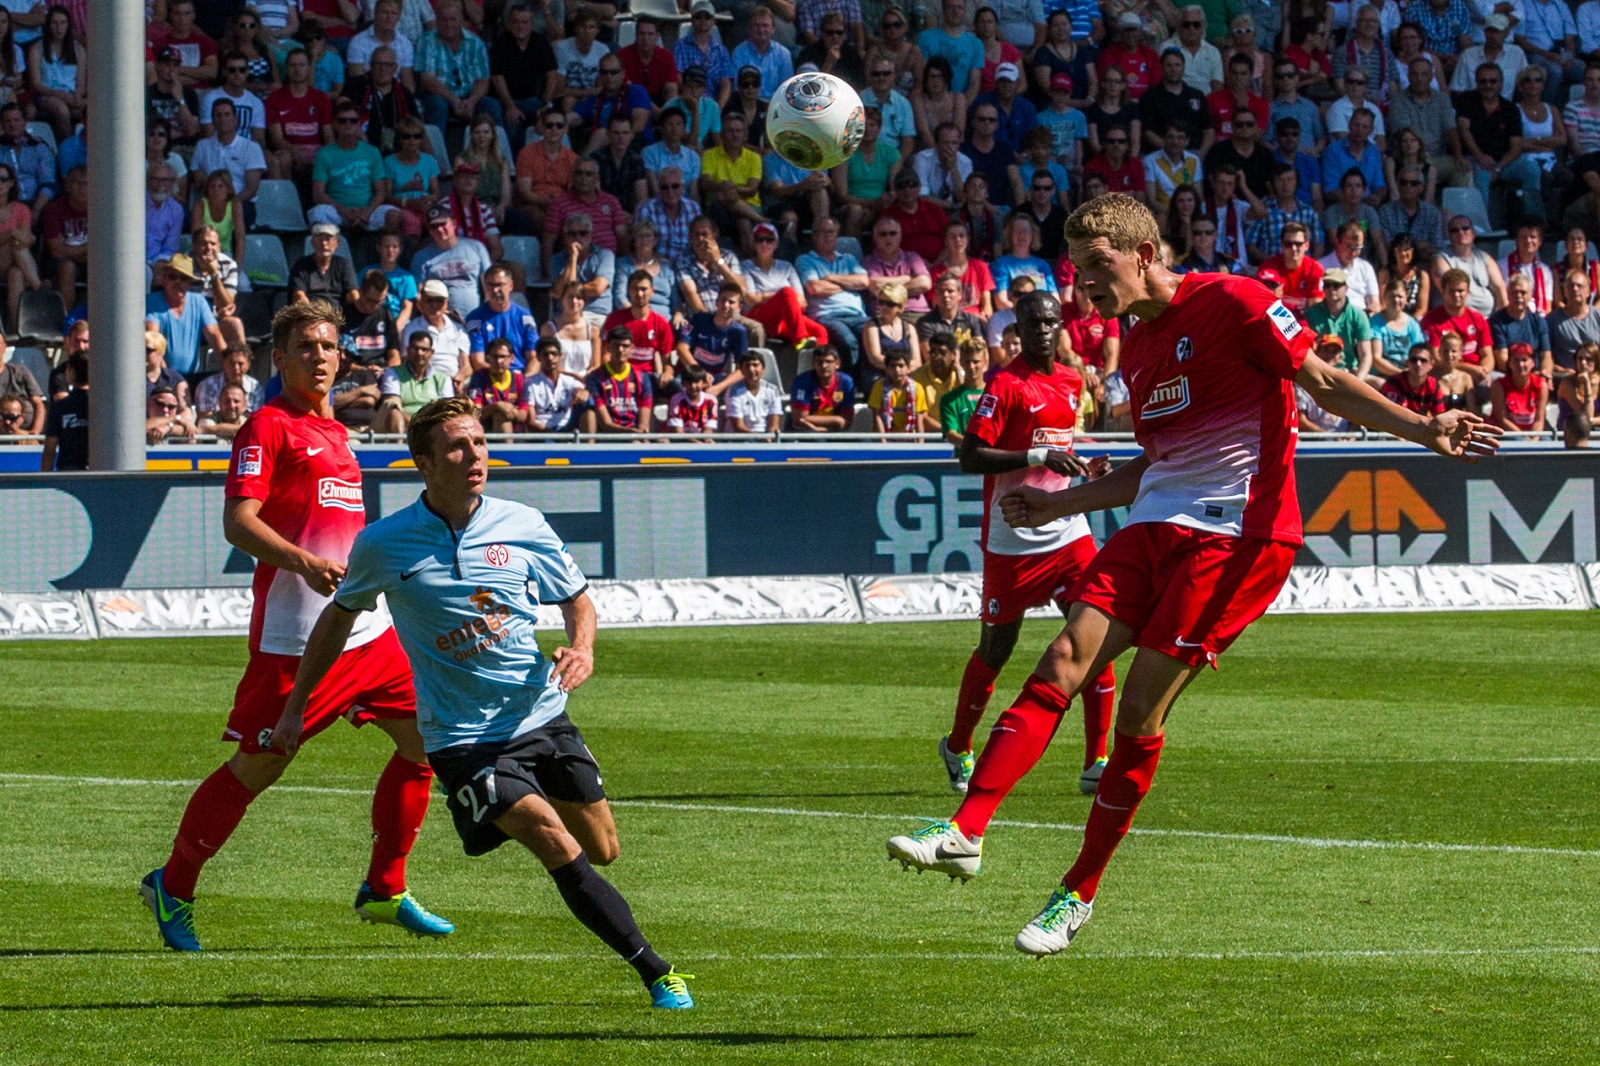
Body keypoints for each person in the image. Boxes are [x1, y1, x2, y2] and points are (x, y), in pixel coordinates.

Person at [883, 192, 1500, 953]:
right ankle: (966, 829)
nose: (1087, 285)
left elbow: (1322, 381)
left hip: (1236, 537)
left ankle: (1076, 892)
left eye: (1099, 266)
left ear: (1144, 254)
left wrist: (1420, 426)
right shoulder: (1137, 351)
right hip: (1154, 526)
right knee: (1063, 658)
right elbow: (1158, 463)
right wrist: (1062, 504)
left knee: (1140, 711)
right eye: (1078, 270)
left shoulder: (1237, 301)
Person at [277, 395, 694, 1009]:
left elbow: (576, 599)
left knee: (605, 848)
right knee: (553, 841)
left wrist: (582, 649)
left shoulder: (523, 524)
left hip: (541, 714)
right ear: (424, 462)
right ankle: (658, 973)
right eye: (457, 446)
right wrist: (294, 709)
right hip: (460, 739)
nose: (474, 455)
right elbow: (336, 622)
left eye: (478, 442)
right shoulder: (384, 544)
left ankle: (529, 793)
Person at [141, 302, 453, 954]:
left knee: (426, 741)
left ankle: (385, 889)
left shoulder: (338, 434)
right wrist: (302, 561)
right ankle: (173, 884)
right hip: (296, 637)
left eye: (329, 345)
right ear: (278, 359)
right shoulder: (267, 425)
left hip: (365, 633)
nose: (319, 355)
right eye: (305, 346)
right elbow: (238, 522)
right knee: (258, 768)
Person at [916, 288, 1120, 793]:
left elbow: (1059, 451)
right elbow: (971, 457)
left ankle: (1097, 759)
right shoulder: (1004, 386)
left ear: (1061, 326)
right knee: (996, 652)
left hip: (1069, 531)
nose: (1044, 330)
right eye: (1033, 324)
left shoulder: (1073, 380)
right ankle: (958, 745)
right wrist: (1035, 458)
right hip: (1013, 539)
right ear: (1018, 332)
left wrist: (1084, 470)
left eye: (1051, 322)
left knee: (1098, 636)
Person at [308, 100, 399, 234]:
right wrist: (345, 212)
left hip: (367, 210)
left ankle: (385, 252)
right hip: (338, 212)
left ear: (359, 124)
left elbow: (381, 191)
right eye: (342, 121)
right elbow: (318, 194)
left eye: (353, 120)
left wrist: (366, 213)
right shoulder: (324, 154)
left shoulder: (372, 152)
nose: (348, 124)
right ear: (334, 124)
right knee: (319, 213)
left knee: (393, 214)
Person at [1422, 268, 1496, 388]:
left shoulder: (1478, 319)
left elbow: (1488, 355)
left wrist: (1483, 370)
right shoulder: (1431, 320)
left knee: (1499, 384)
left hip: (1477, 374)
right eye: (1452, 291)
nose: (1457, 295)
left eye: (1461, 291)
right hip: (1446, 374)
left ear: (1468, 292)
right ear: (1443, 292)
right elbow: (1436, 359)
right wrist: (1470, 370)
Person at [378, 328, 457, 433]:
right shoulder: (393, 373)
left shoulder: (443, 379)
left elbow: (447, 410)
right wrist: (419, 426)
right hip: (404, 425)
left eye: (424, 349)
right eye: (415, 348)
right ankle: (398, 448)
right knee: (393, 408)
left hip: (433, 429)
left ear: (431, 352)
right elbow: (393, 403)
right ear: (407, 350)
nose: (419, 353)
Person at [583, 327, 653, 434]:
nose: (620, 350)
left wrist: (642, 429)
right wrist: (631, 433)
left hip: (635, 435)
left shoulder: (642, 377)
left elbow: (644, 419)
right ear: (608, 348)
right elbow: (606, 424)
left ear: (632, 348)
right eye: (616, 345)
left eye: (625, 346)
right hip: (608, 437)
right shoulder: (595, 378)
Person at [291, 222, 362, 318]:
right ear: (312, 243)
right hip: (311, 315)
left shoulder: (344, 265)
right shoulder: (301, 265)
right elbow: (299, 295)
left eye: (328, 239)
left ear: (337, 243)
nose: (324, 243)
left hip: (338, 316)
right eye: (319, 238)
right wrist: (314, 316)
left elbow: (353, 293)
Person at [521, 337, 589, 433]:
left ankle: (589, 447)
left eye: (554, 354)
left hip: (567, 428)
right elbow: (531, 422)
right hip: (543, 432)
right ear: (538, 357)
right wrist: (557, 437)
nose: (550, 358)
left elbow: (582, 388)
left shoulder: (568, 381)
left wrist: (583, 392)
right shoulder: (530, 383)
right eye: (545, 354)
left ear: (560, 355)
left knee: (589, 404)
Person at [1490, 273, 1554, 373]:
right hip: (1508, 375)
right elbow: (1502, 360)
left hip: (1535, 373)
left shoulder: (1539, 322)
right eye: (1515, 292)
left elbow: (1546, 355)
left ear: (1531, 295)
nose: (1518, 296)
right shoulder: (1497, 322)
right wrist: (1527, 376)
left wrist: (1545, 374)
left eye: (1523, 292)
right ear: (1508, 293)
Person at [464, 336, 526, 434]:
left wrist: (508, 409)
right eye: (494, 356)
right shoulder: (479, 377)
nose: (498, 361)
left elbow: (524, 415)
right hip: (486, 432)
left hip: (517, 433)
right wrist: (497, 406)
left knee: (502, 415)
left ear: (512, 358)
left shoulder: (519, 378)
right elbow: (474, 413)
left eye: (502, 357)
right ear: (487, 358)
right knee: (499, 415)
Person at [788, 344, 856, 432]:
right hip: (806, 430)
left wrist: (823, 429)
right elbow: (799, 420)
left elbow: (846, 420)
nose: (823, 366)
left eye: (828, 361)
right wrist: (836, 420)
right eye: (819, 362)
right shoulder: (802, 382)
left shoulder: (845, 382)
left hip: (834, 430)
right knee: (817, 439)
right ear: (813, 364)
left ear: (837, 364)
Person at [1370, 278, 1427, 377]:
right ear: (1385, 297)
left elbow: (1419, 353)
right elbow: (1376, 358)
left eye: (1400, 297)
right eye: (1392, 296)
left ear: (1406, 298)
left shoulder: (1412, 325)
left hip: (1409, 374)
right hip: (1382, 374)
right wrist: (1401, 374)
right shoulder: (1376, 322)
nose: (1396, 300)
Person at [40, 353, 86, 471]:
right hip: (101, 475)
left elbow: (50, 449)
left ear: (71, 372)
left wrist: (44, 482)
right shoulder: (105, 407)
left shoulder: (60, 407)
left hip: (68, 474)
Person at [939, 339, 989, 446]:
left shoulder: (996, 395)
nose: (971, 366)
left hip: (992, 459)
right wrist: (975, 448)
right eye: (967, 362)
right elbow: (951, 434)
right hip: (962, 460)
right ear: (961, 362)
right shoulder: (949, 400)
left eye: (976, 362)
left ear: (985, 362)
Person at [1490, 342, 1550, 431]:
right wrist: (1524, 441)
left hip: (1532, 432)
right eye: (1516, 360)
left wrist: (1533, 441)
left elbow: (1539, 420)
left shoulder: (1541, 385)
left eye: (1524, 360)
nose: (1520, 364)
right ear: (1509, 363)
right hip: (1506, 432)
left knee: (1547, 441)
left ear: (1532, 363)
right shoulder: (1499, 386)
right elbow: (1503, 420)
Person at [722, 348, 783, 433]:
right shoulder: (733, 391)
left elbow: (774, 424)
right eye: (747, 366)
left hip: (765, 437)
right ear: (742, 370)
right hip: (740, 439)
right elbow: (738, 426)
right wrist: (759, 439)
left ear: (763, 369)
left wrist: (769, 438)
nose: (751, 369)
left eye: (755, 365)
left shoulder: (772, 390)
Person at [196, 345, 265, 419]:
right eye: (232, 363)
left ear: (248, 365)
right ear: (224, 363)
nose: (236, 368)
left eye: (240, 364)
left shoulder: (255, 388)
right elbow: (205, 423)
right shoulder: (207, 386)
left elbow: (255, 422)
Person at [868, 348, 928, 433]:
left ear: (908, 368)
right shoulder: (879, 387)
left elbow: (919, 419)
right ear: (887, 369)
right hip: (884, 437)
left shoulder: (917, 388)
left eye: (901, 366)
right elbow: (877, 416)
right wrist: (883, 444)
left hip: (910, 438)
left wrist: (920, 445)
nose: (897, 370)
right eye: (892, 366)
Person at [1556, 341, 1599, 446]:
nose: (1583, 363)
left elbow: (1589, 420)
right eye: (1580, 358)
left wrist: (1593, 421)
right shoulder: (1567, 383)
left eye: (1588, 359)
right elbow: (1585, 417)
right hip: (1569, 436)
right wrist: (1586, 383)